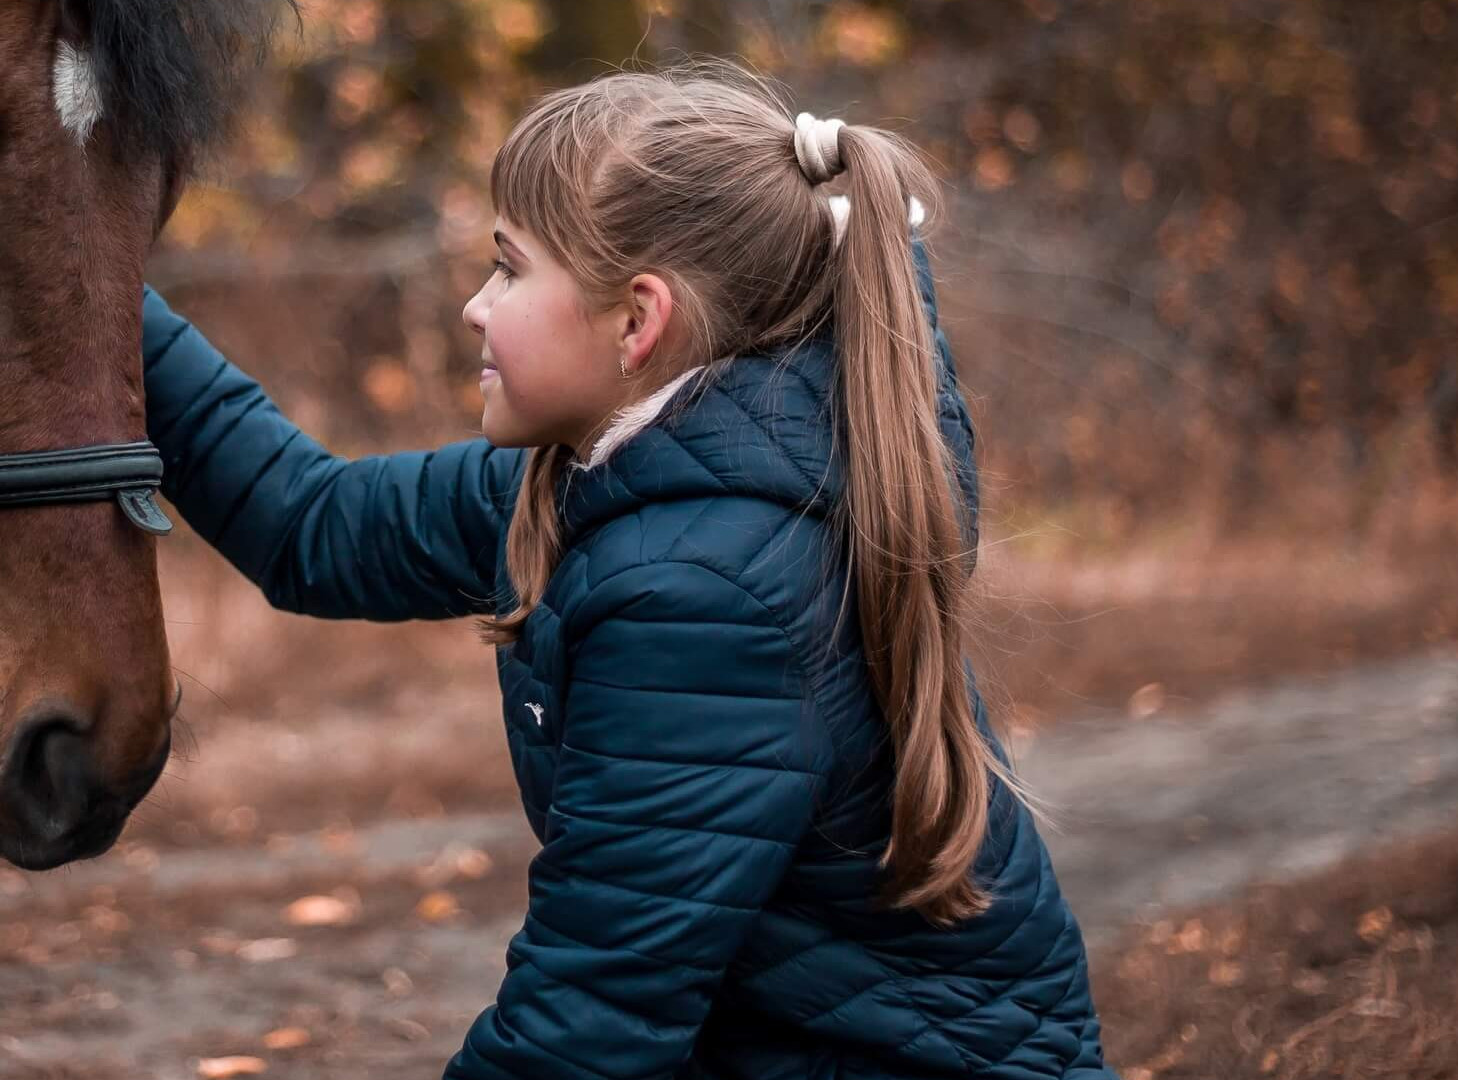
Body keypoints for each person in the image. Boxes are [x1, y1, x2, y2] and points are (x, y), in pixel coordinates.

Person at [141, 59, 1114, 1079]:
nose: (475, 305)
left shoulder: (704, 593)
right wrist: (84, 280)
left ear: (637, 324)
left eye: (508, 268)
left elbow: (587, 1029)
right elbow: (313, 525)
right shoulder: (609, 478)